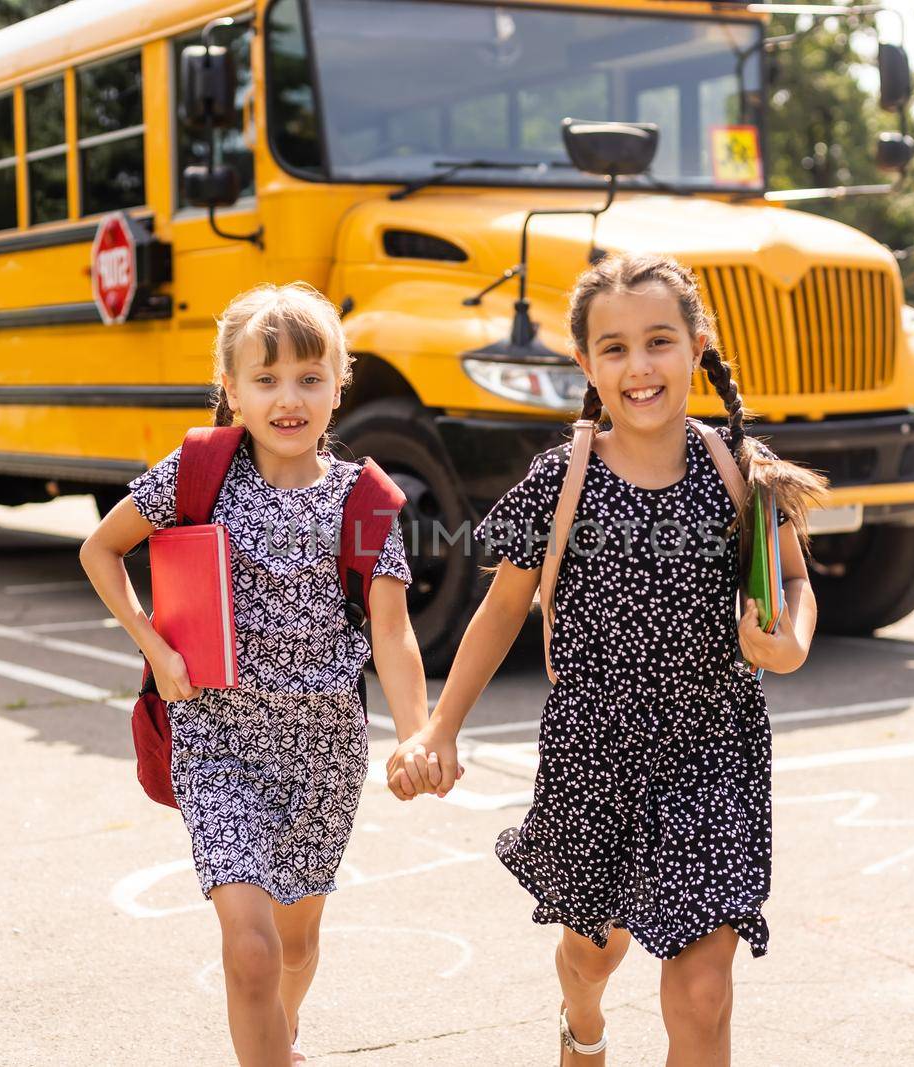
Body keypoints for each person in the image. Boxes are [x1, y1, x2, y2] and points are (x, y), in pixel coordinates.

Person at [388, 253, 827, 1066]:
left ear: (699, 345)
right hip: (595, 751)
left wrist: (791, 639)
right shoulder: (565, 479)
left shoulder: (740, 468)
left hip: (713, 747)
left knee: (703, 990)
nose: (640, 366)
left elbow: (794, 580)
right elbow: (500, 609)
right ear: (585, 364)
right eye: (615, 348)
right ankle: (579, 1019)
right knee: (595, 952)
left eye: (659, 341)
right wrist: (441, 728)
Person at [81, 283, 437, 1066]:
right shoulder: (197, 471)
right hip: (218, 745)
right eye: (266, 378)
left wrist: (419, 735)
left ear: (339, 385)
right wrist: (155, 646)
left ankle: (283, 1029)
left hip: (323, 757)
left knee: (294, 945)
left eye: (310, 377)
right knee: (249, 950)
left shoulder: (367, 500)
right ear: (231, 388)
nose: (289, 398)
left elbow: (393, 630)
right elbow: (100, 550)